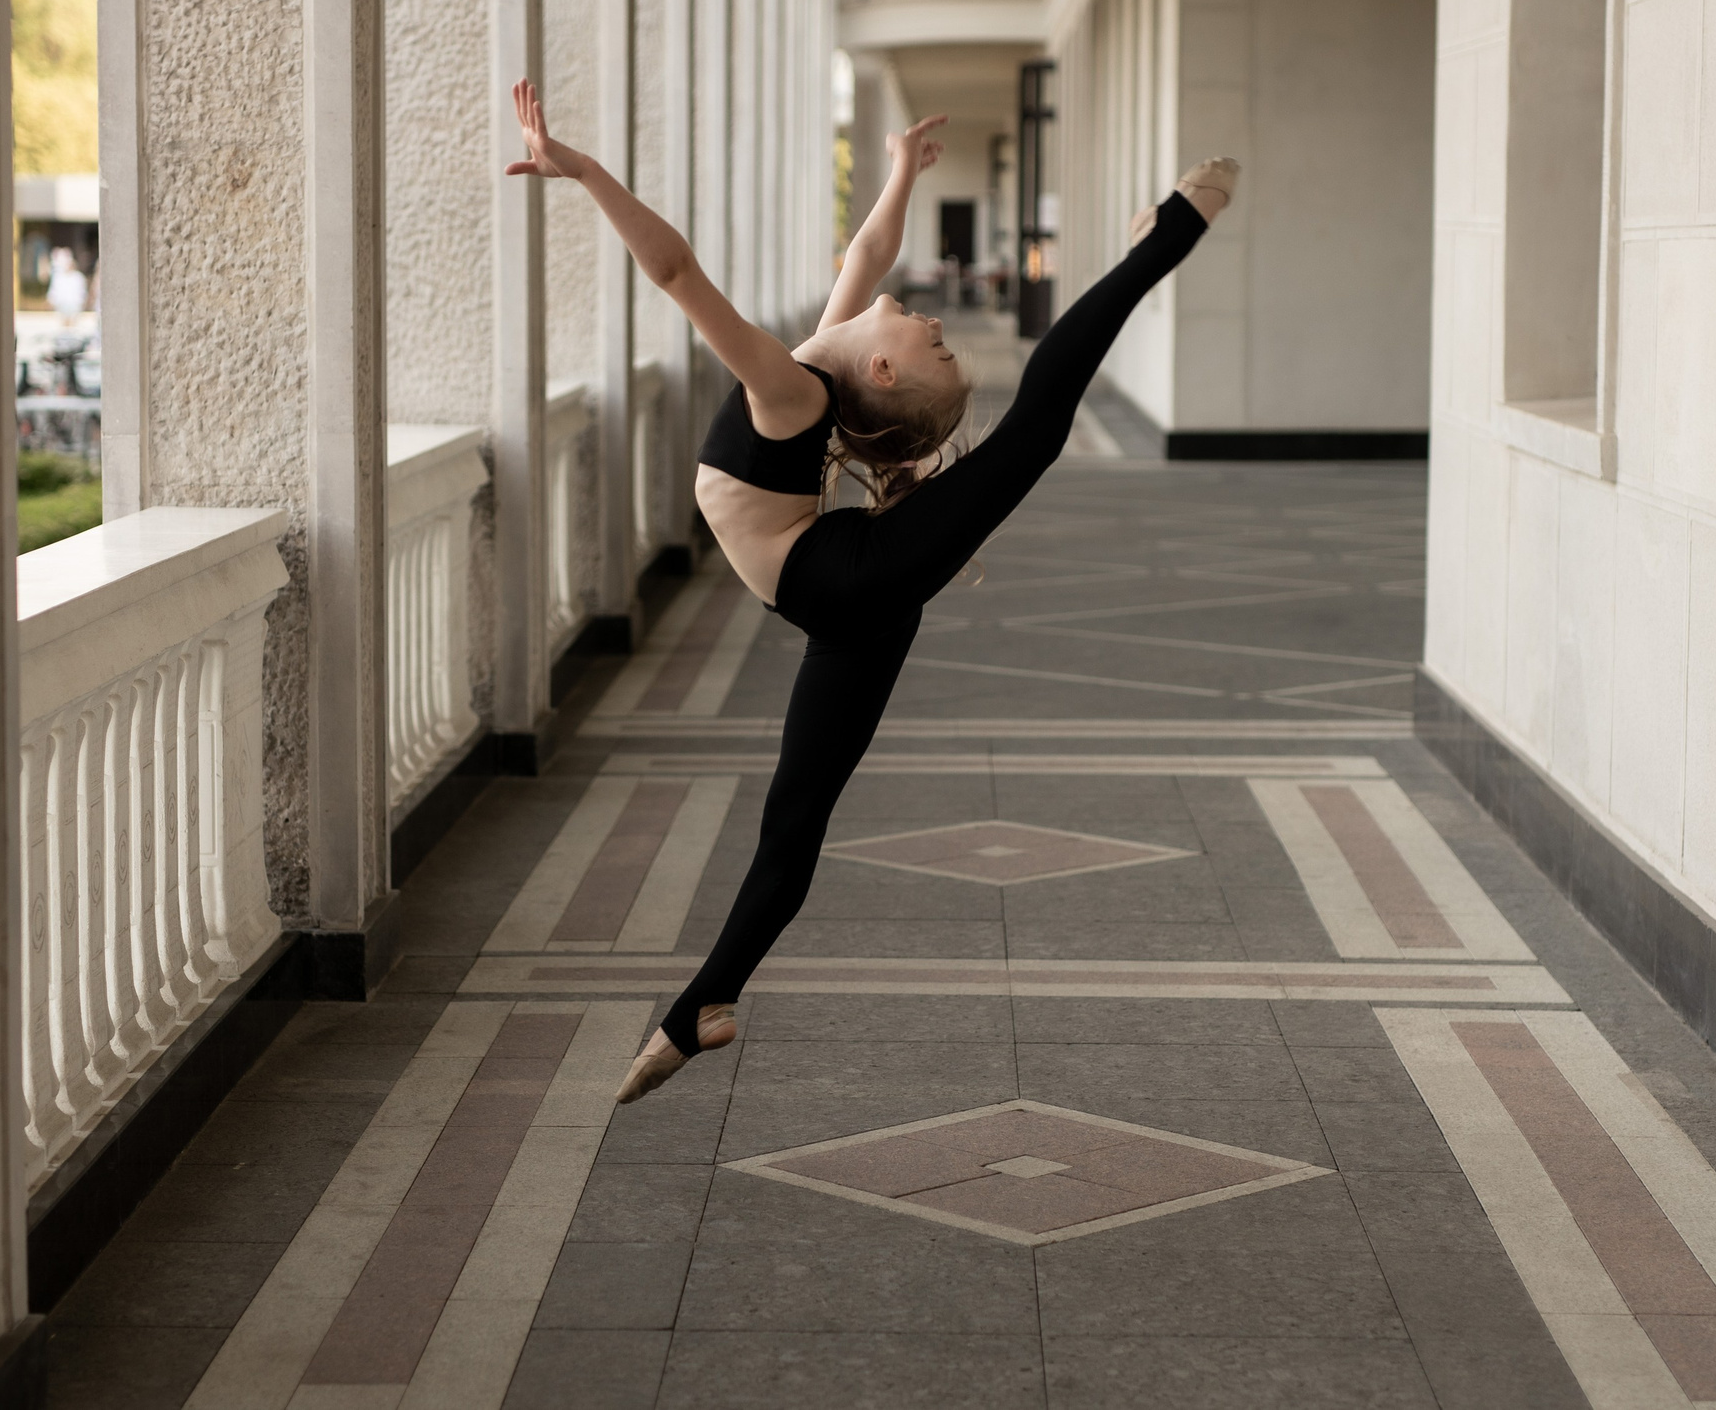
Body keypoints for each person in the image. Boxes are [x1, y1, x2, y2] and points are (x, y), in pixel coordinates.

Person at [502, 79, 1237, 1102]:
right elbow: (867, 258)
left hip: (844, 581)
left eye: (927, 341)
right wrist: (896, 168)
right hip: (844, 591)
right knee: (793, 819)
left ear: (881, 375)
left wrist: (584, 174)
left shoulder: (792, 389)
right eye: (933, 330)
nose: (928, 317)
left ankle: (1164, 237)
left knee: (1033, 430)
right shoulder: (823, 359)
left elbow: (672, 270)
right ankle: (702, 1006)